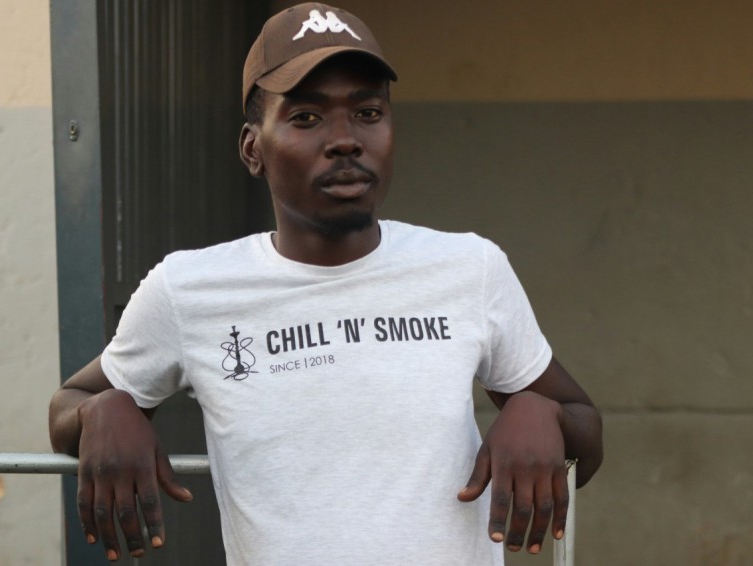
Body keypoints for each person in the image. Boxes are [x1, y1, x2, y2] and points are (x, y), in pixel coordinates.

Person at [49, 3, 603, 565]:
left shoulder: (469, 268)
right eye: (306, 118)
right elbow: (69, 404)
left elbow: (586, 427)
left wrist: (539, 411)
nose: (345, 140)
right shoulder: (189, 288)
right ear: (252, 148)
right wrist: (105, 409)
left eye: (367, 112)